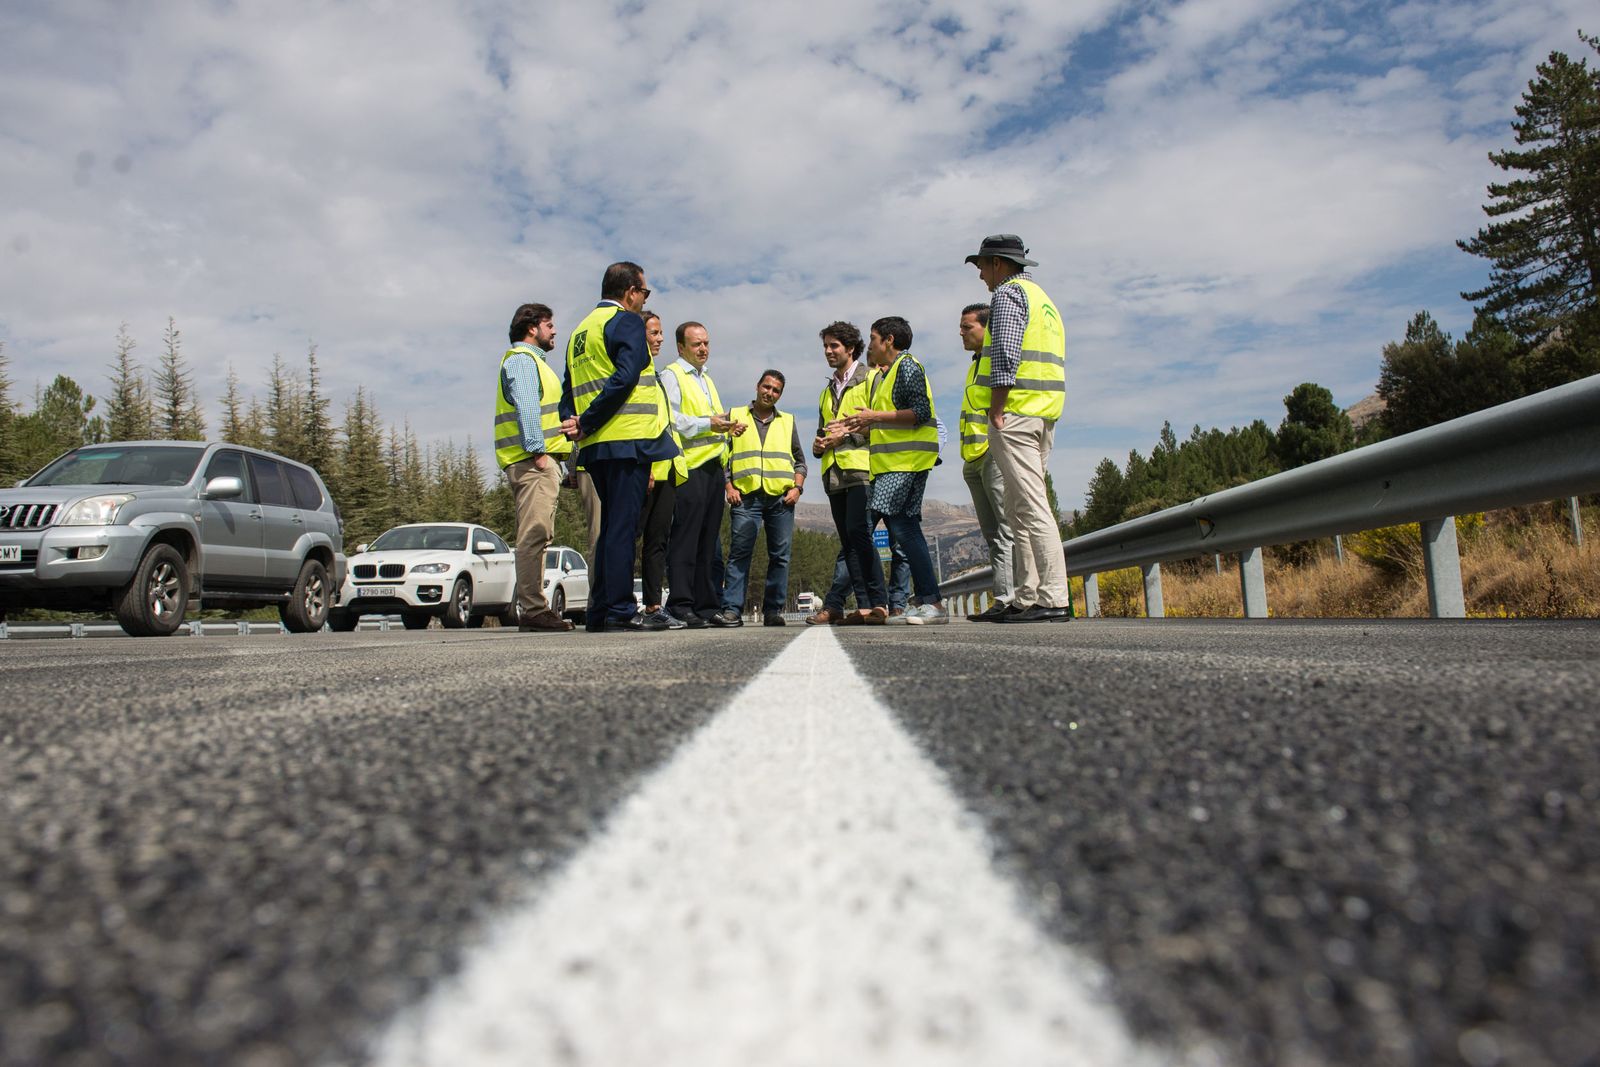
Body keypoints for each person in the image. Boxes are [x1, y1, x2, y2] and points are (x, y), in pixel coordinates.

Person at [559, 261, 678, 633]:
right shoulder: (626, 321)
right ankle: (621, 610)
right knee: (622, 529)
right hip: (626, 441)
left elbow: (568, 390)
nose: (644, 300)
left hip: (595, 448)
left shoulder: (580, 332)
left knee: (611, 527)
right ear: (631, 292)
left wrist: (576, 422)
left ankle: (600, 611)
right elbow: (626, 376)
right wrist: (589, 419)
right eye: (645, 292)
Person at [966, 233, 1070, 622]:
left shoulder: (1008, 294)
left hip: (1016, 414)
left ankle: (1054, 597)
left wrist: (997, 408)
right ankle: (1026, 597)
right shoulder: (1044, 301)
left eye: (981, 266)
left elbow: (1006, 352)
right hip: (1043, 413)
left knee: (1031, 505)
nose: (981, 275)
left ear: (997, 263)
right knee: (1017, 507)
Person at [840, 316, 948, 624]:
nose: (870, 344)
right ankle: (926, 600)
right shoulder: (888, 375)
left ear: (889, 340)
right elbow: (890, 422)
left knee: (903, 529)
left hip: (907, 465)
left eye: (874, 338)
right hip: (894, 466)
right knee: (904, 528)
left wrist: (874, 416)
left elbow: (920, 412)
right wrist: (861, 424)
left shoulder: (908, 367)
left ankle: (932, 602)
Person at [494, 303, 575, 632]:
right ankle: (533, 610)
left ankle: (535, 609)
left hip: (537, 462)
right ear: (532, 328)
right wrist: (538, 453)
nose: (554, 331)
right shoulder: (522, 361)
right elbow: (527, 406)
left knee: (540, 534)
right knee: (534, 534)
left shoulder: (534, 363)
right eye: (549, 325)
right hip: (533, 463)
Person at [661, 322, 743, 627]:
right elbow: (672, 419)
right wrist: (709, 423)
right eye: (696, 344)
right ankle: (681, 604)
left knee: (708, 542)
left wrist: (727, 427)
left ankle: (706, 606)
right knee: (686, 539)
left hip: (712, 468)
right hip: (689, 467)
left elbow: (712, 420)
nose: (703, 349)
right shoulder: (671, 375)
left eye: (706, 343)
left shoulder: (706, 378)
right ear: (681, 347)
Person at [807, 321, 888, 625]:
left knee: (860, 534)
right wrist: (818, 445)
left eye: (834, 346)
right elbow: (823, 432)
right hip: (833, 474)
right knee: (849, 541)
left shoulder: (872, 379)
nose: (828, 351)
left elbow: (881, 424)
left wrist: (847, 437)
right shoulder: (825, 392)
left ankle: (879, 602)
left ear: (850, 348)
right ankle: (864, 606)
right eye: (825, 346)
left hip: (862, 469)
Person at [716, 370, 806, 627]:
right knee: (739, 553)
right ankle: (732, 609)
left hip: (781, 500)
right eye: (767, 387)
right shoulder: (735, 415)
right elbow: (723, 455)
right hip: (745, 499)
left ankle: (773, 611)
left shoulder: (787, 421)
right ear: (757, 386)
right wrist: (728, 486)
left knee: (780, 556)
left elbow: (800, 462)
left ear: (780, 395)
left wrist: (797, 489)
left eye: (776, 390)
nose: (770, 393)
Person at [957, 302, 1016, 621]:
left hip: (993, 452)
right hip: (974, 458)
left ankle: (1013, 599)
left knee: (1007, 528)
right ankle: (1003, 599)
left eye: (967, 327)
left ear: (987, 327)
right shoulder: (975, 364)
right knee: (993, 533)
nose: (961, 332)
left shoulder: (997, 358)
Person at [636, 310, 687, 629]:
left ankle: (653, 606)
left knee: (657, 541)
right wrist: (646, 466)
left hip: (667, 470)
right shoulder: (635, 373)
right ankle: (617, 604)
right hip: (645, 469)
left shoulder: (654, 376)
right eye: (654, 333)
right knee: (630, 537)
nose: (660, 339)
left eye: (660, 333)